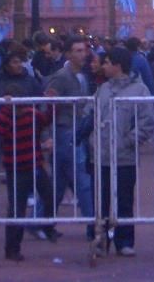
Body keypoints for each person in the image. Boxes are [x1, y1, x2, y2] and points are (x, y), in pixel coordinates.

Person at [96, 47, 154, 256]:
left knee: (124, 200)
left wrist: (129, 141)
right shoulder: (102, 89)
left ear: (117, 65)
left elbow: (147, 121)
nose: (103, 66)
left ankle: (125, 241)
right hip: (101, 155)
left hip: (124, 156)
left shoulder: (140, 90)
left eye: (106, 62)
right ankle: (101, 240)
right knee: (101, 202)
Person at [0, 83, 56, 261]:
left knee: (49, 195)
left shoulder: (31, 114)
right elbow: (0, 131)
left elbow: (46, 120)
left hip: (34, 165)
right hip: (16, 168)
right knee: (16, 209)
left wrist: (51, 104)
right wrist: (8, 111)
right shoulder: (3, 116)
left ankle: (47, 225)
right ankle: (12, 248)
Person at [44, 36, 94, 233]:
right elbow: (48, 103)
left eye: (84, 50)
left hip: (76, 128)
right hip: (65, 130)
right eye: (78, 51)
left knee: (60, 180)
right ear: (69, 54)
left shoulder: (81, 75)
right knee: (81, 178)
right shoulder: (62, 77)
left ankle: (40, 219)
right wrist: (47, 134)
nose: (83, 54)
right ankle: (92, 222)